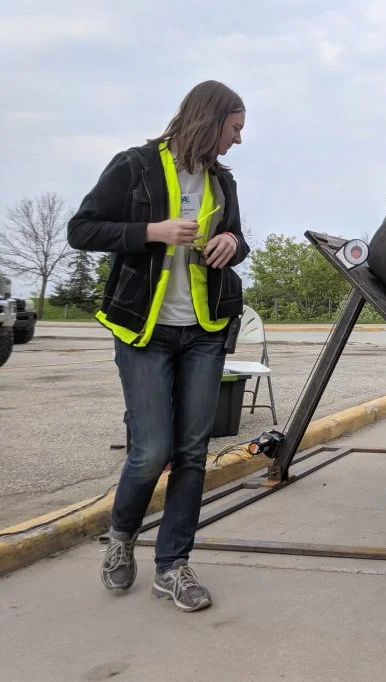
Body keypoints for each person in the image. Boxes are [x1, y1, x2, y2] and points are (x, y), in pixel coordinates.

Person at [68, 80, 250, 611]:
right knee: (151, 452)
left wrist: (231, 243)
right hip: (144, 331)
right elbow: (82, 230)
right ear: (210, 118)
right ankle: (121, 538)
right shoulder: (135, 165)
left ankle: (172, 566)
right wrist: (151, 230)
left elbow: (237, 236)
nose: (237, 140)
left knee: (193, 453)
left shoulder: (223, 181)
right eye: (234, 128)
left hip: (204, 331)